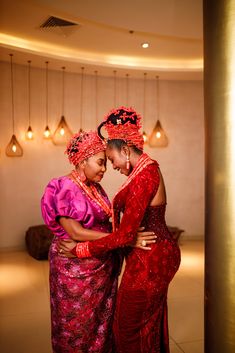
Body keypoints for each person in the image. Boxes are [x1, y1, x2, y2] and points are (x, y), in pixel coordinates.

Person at [60, 107, 181, 353]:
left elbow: (126, 235)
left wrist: (81, 250)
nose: (111, 167)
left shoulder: (146, 174)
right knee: (145, 325)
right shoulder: (143, 170)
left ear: (125, 150)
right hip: (149, 255)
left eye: (111, 159)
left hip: (151, 260)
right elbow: (127, 234)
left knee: (127, 329)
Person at [41, 130, 155, 353]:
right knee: (76, 324)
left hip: (100, 267)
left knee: (101, 322)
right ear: (83, 160)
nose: (105, 169)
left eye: (106, 162)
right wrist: (124, 239)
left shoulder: (96, 187)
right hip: (75, 268)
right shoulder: (63, 186)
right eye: (100, 162)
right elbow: (76, 232)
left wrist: (121, 237)